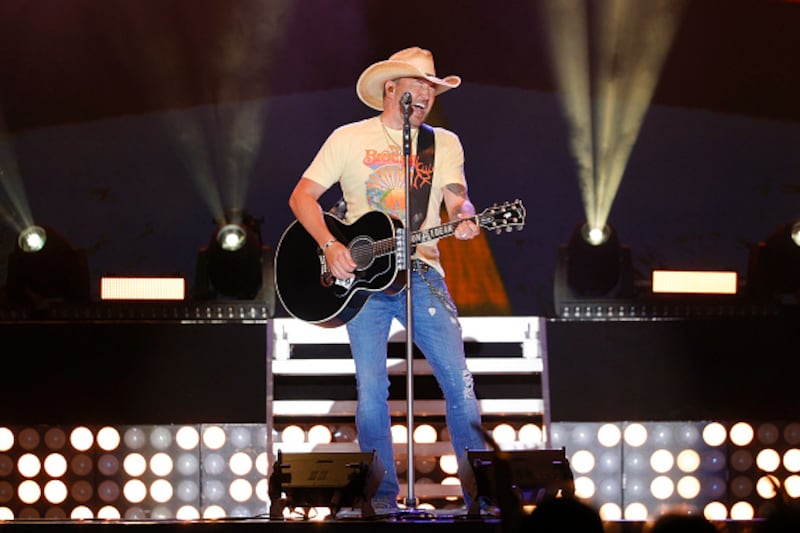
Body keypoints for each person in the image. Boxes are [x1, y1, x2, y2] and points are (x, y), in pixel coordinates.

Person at [288, 47, 486, 511]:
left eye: (431, 89)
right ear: (391, 88)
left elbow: (457, 199)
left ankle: (480, 495)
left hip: (421, 272)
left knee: (459, 382)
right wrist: (330, 245)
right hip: (365, 283)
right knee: (372, 389)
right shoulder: (348, 138)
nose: (426, 96)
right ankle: (381, 500)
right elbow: (302, 198)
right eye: (417, 86)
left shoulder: (443, 144)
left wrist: (466, 216)